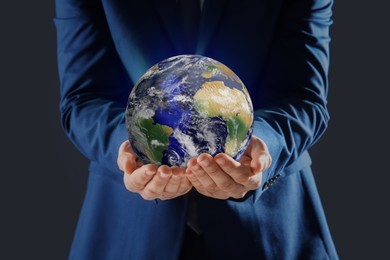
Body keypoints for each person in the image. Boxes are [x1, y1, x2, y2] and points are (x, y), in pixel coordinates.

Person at [55, 0, 338, 259]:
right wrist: (131, 145)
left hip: (271, 230)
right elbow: (81, 97)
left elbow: (306, 97)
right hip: (129, 231)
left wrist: (262, 144)